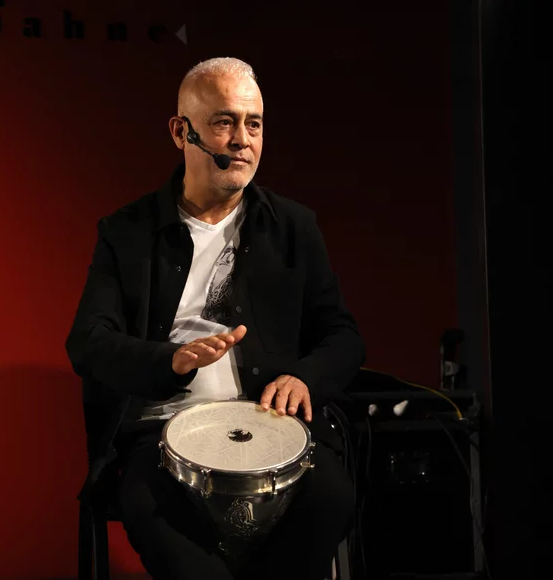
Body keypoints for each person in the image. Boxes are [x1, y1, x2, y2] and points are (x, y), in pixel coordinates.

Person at [66, 57, 366, 580]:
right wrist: (171, 361)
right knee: (150, 504)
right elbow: (88, 342)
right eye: (225, 122)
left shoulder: (293, 227)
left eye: (255, 124)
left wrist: (304, 378)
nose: (242, 140)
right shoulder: (127, 232)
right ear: (181, 132)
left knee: (331, 495)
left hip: (272, 425)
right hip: (163, 434)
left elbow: (343, 335)